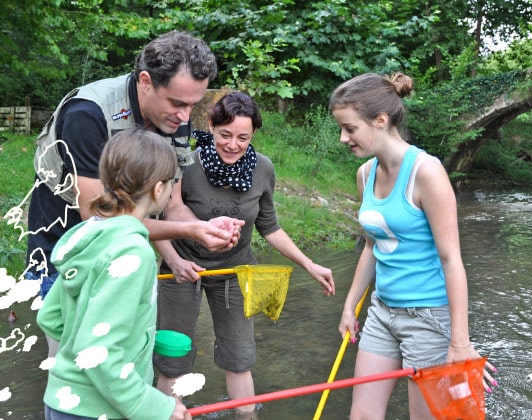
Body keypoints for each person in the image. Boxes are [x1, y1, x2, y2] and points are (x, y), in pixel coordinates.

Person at [152, 91, 336, 417]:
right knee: (172, 356)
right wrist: (176, 261)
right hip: (181, 269)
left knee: (240, 355)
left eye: (243, 137)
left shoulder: (262, 169)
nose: (233, 145)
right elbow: (157, 219)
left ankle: (246, 415)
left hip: (236, 272)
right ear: (210, 126)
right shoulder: (186, 164)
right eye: (225, 135)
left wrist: (309, 264)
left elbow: (270, 227)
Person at [25, 30, 241, 302]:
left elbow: (170, 204)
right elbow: (100, 221)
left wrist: (205, 227)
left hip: (124, 254)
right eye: (177, 103)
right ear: (146, 81)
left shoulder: (176, 118)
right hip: (63, 254)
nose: (185, 117)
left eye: (193, 105)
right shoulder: (87, 115)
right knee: (72, 343)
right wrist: (190, 231)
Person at [330, 73, 497, 419]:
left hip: (429, 319)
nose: (343, 138)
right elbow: (371, 247)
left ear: (380, 120)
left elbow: (452, 260)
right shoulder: (364, 175)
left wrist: (460, 343)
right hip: (382, 312)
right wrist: (351, 304)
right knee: (361, 416)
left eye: (349, 128)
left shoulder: (427, 172)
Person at [37, 128, 191, 420]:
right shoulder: (133, 252)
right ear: (159, 189)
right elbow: (98, 352)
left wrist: (141, 338)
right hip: (97, 409)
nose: (172, 190)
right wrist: (156, 407)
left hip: (62, 402)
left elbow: (51, 318)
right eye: (172, 182)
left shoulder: (88, 234)